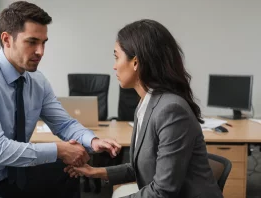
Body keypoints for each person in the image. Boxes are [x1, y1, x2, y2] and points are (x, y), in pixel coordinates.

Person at [0, 1, 121, 198]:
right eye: (32, 42)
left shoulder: (37, 81)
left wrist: (93, 140)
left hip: (5, 175)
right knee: (60, 158)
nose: (41, 51)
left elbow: (64, 124)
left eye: (44, 42)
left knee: (64, 171)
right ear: (7, 39)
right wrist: (59, 150)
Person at [65, 19, 223, 198]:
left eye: (117, 57)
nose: (114, 66)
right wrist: (94, 172)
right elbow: (140, 167)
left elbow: (163, 191)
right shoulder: (146, 103)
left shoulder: (171, 110)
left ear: (135, 62)